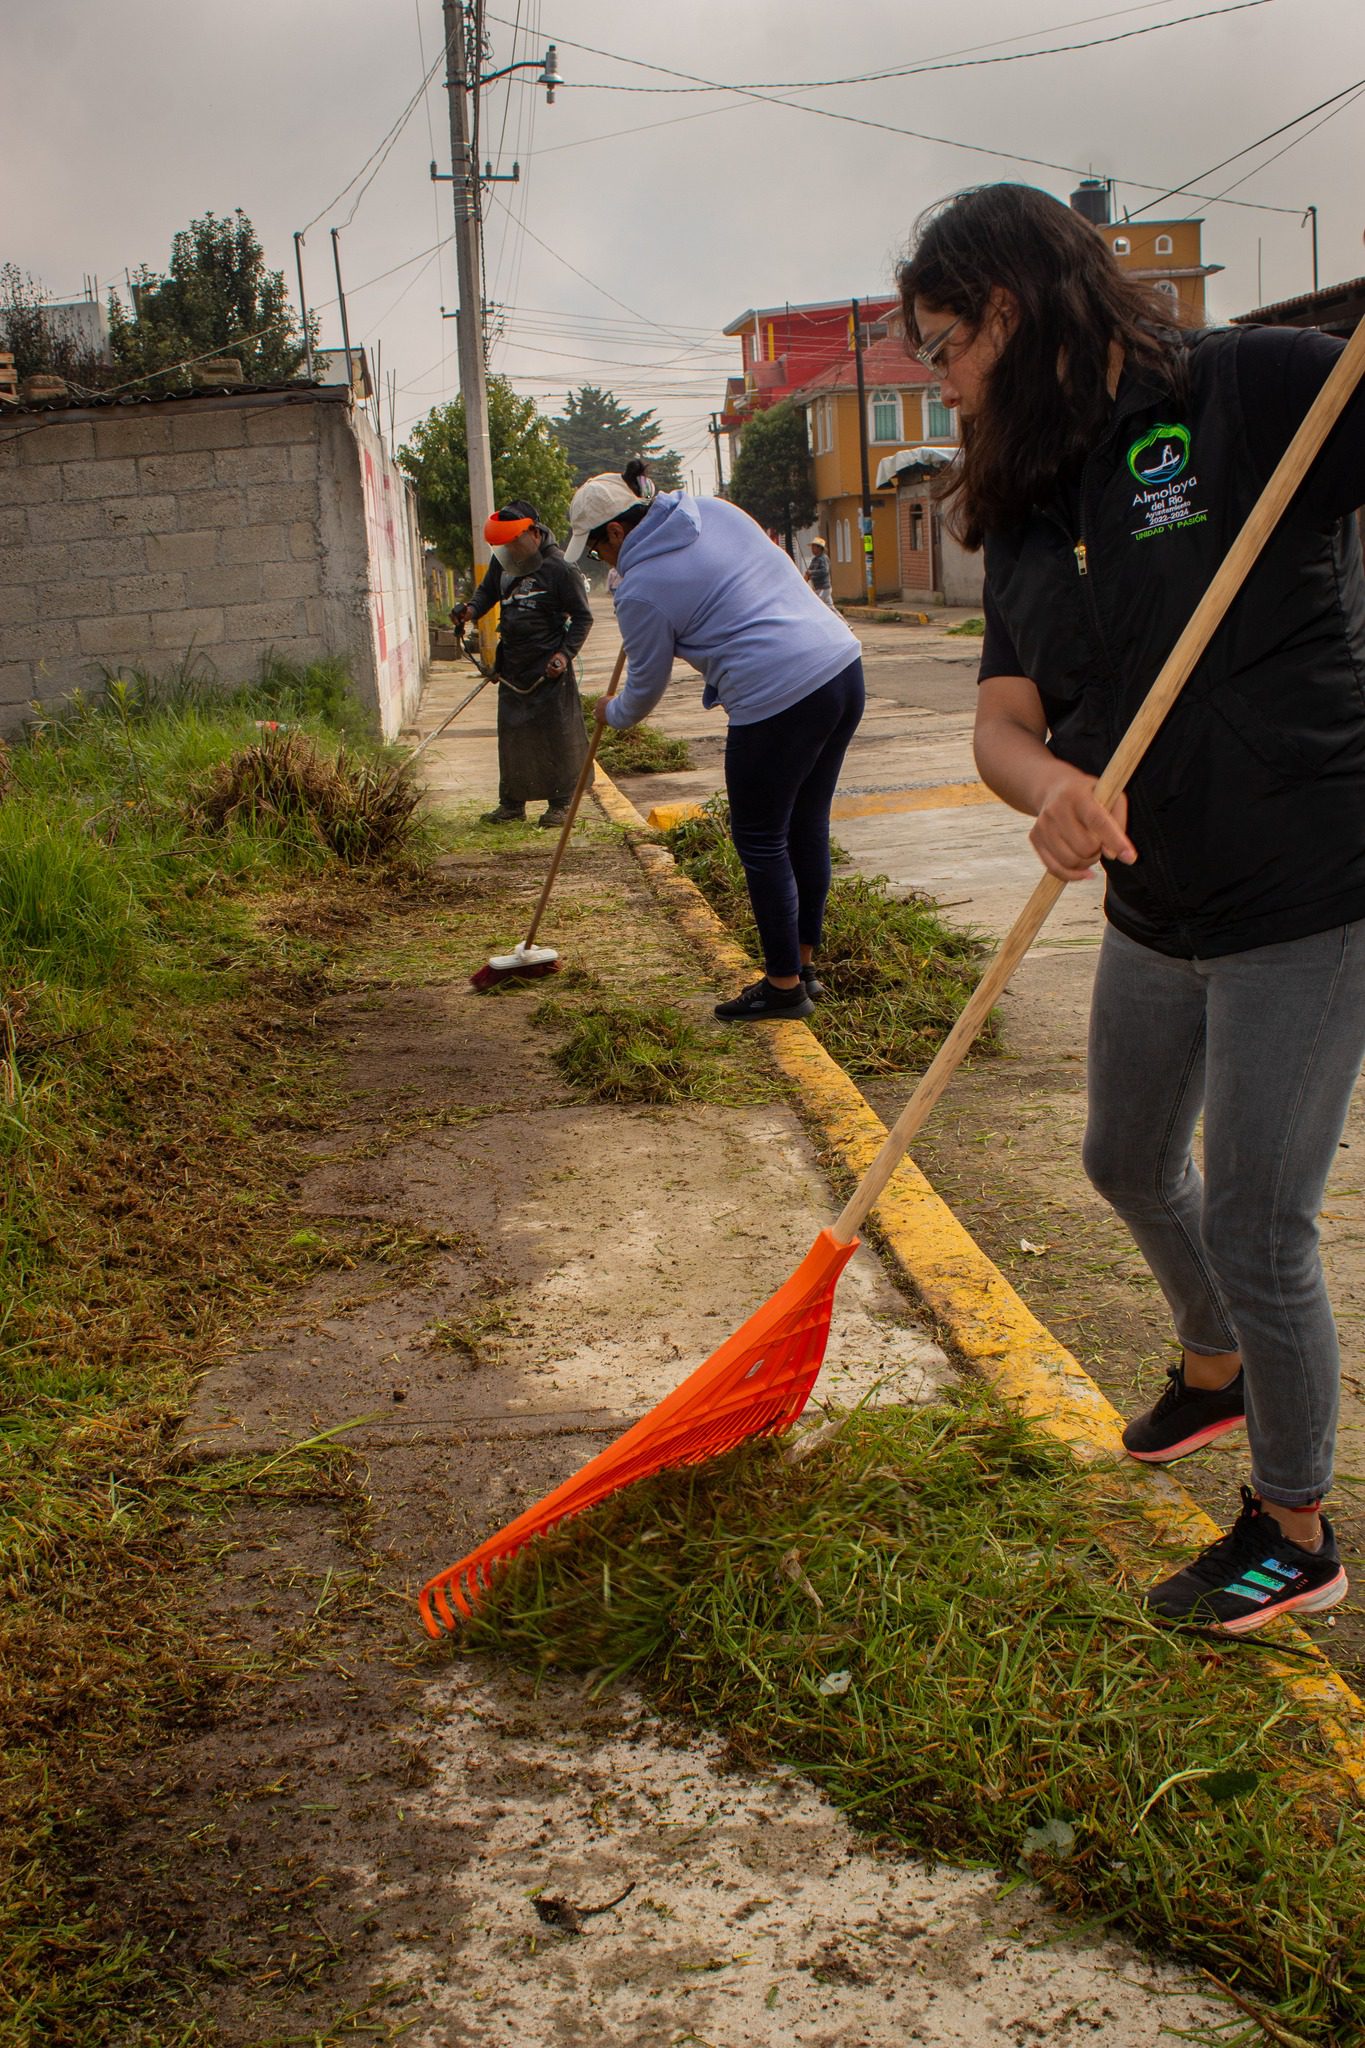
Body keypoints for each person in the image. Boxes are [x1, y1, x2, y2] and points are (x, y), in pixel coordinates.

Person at [898, 181, 1365, 1632]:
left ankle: (1294, 1527)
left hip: (1306, 883)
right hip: (1156, 902)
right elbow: (1000, 722)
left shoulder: (1241, 393)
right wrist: (1046, 788)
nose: (940, 377)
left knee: (1256, 1218)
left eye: (942, 345)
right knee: (1118, 1157)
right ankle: (1212, 1366)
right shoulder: (1027, 505)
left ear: (1008, 312)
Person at [564, 472, 864, 1021]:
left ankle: (782, 988)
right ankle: (803, 967)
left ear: (615, 529)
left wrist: (612, 711)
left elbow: (643, 690)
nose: (601, 561)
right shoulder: (714, 510)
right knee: (805, 824)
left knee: (761, 838)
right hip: (841, 666)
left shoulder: (640, 588)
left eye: (599, 548)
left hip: (776, 695)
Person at [453, 501, 593, 827]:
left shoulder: (561, 568)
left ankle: (560, 804)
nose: (509, 550)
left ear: (532, 532)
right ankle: (512, 805)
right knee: (513, 736)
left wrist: (564, 655)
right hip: (513, 664)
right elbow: (486, 593)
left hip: (548, 669)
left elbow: (584, 617)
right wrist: (470, 611)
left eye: (514, 542)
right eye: (503, 545)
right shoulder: (504, 561)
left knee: (554, 736)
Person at [805, 535, 835, 607]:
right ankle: (839, 618)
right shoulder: (814, 560)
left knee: (817, 605)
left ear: (819, 548)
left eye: (814, 546)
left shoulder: (823, 558)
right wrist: (806, 577)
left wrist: (811, 572)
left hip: (823, 588)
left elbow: (825, 571)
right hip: (818, 588)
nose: (812, 549)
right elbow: (809, 572)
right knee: (830, 607)